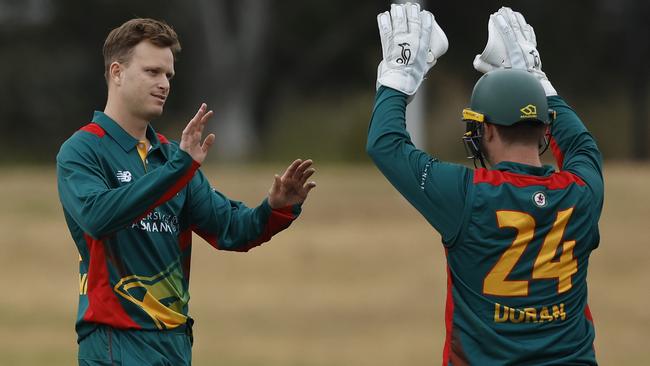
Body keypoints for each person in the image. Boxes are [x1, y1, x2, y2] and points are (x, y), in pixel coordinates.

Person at [56, 18, 316, 365]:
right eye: (152, 72)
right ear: (117, 73)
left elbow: (231, 229)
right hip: (114, 343)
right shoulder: (83, 149)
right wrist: (179, 169)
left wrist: (276, 209)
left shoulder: (172, 156)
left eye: (168, 76)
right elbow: (98, 217)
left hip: (176, 345)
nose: (164, 84)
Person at [367, 4, 603, 365]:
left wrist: (399, 77)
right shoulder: (582, 193)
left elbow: (384, 144)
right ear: (545, 128)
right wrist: (539, 80)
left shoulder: (467, 194)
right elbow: (580, 145)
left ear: (487, 130)